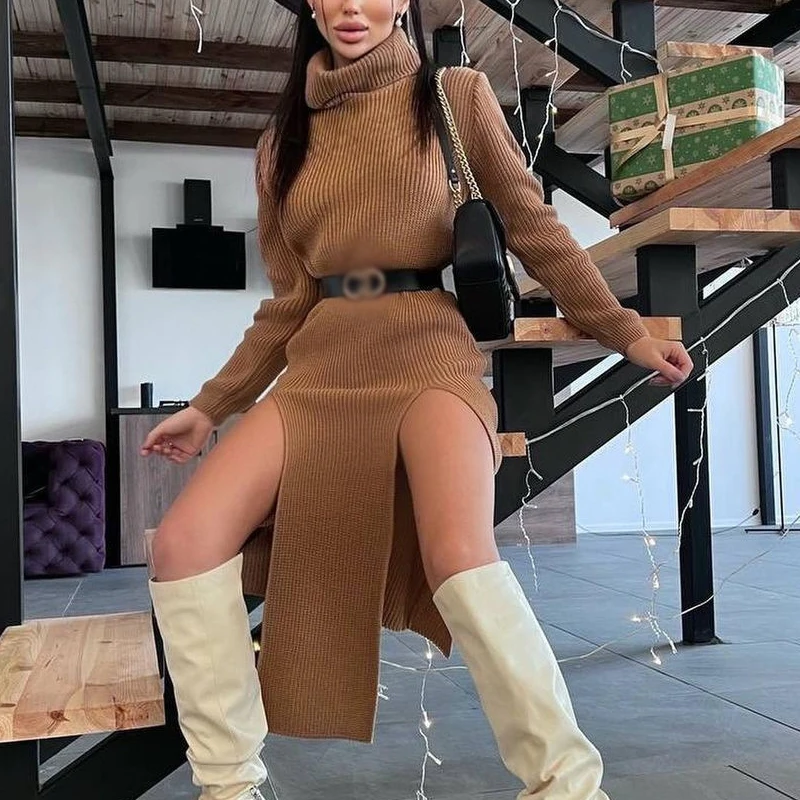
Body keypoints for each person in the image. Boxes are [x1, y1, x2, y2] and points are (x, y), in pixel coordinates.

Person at [141, 2, 694, 799]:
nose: (349, 7)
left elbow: (532, 226)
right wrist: (210, 406)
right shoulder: (279, 143)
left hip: (428, 355)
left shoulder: (454, 95)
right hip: (321, 369)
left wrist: (626, 332)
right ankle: (228, 785)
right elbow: (289, 302)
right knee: (183, 543)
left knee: (459, 554)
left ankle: (566, 786)